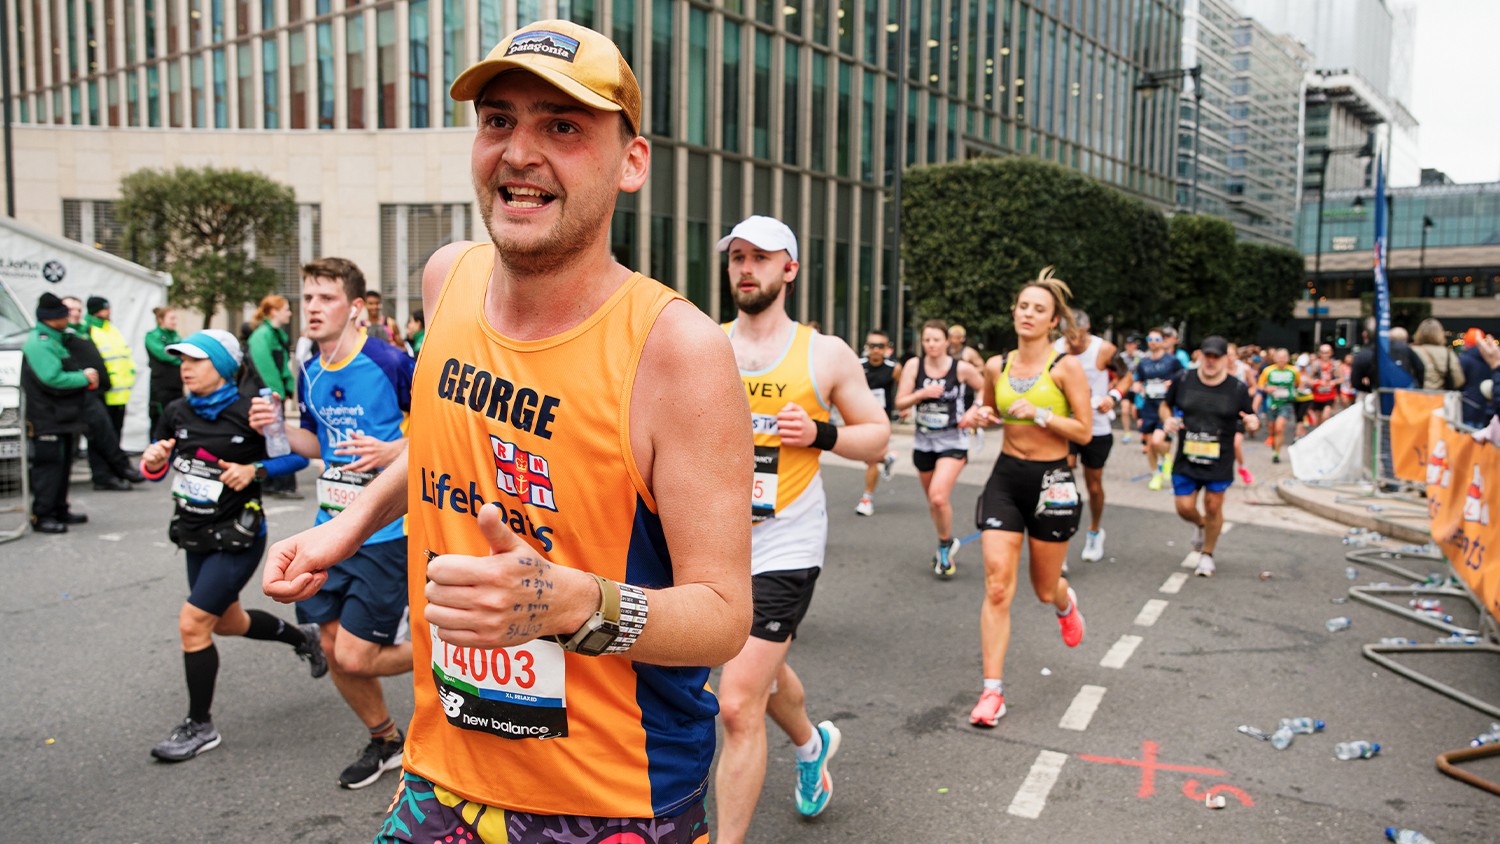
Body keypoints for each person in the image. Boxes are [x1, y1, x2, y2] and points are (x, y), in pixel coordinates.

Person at [263, 20, 753, 842]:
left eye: (562, 126)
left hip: (611, 798)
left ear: (631, 162)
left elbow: (722, 615)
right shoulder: (448, 278)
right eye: (499, 119)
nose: (520, 151)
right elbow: (447, 443)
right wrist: (343, 531)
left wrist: (573, 603)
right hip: (441, 770)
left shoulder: (678, 353)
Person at [714, 215, 889, 840]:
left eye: (760, 258)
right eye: (737, 257)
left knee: (735, 704)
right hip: (714, 540)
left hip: (787, 538)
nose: (745, 269)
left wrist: (821, 433)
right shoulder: (706, 344)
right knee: (755, 668)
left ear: (789, 269)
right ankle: (812, 745)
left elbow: (877, 437)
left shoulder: (824, 353)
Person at [250, 258, 416, 789]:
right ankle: (386, 739)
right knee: (330, 647)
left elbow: (447, 430)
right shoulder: (309, 370)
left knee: (354, 653)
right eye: (308, 298)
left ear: (356, 307)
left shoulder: (390, 362)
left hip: (385, 532)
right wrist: (275, 431)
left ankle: (455, 647)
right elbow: (313, 447)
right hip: (329, 526)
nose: (313, 308)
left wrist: (393, 449)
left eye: (326, 298)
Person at [138, 329, 324, 761]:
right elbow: (157, 461)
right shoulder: (177, 410)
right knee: (223, 621)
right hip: (195, 534)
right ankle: (302, 637)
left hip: (238, 537)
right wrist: (152, 462)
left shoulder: (250, 410)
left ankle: (200, 726)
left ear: (221, 367)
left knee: (192, 624)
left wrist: (254, 470)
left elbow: (297, 457)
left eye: (196, 360)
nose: (185, 368)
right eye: (181, 360)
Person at [959, 267, 1091, 728]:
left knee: (1041, 587)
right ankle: (992, 693)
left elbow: (1085, 431)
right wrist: (980, 417)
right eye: (1023, 306)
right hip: (1006, 479)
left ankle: (1063, 602)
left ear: (1053, 320)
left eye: (1039, 309)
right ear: (1013, 312)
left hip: (1054, 480)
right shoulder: (997, 366)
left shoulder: (1065, 368)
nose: (1028, 314)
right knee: (997, 584)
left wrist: (1041, 415)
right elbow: (993, 412)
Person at [1159, 336, 1260, 577]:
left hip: (1220, 457)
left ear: (1226, 358)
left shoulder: (1237, 388)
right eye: (1208, 355)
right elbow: (1165, 405)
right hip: (1187, 456)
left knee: (1213, 506)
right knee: (1184, 507)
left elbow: (1251, 418)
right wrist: (1167, 419)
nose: (1211, 361)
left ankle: (1207, 554)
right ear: (1200, 356)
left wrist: (1252, 423)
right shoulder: (1184, 379)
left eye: (1217, 356)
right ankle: (1202, 526)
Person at [895, 318, 984, 575]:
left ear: (947, 341)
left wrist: (974, 410)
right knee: (934, 503)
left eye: (936, 340)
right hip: (924, 443)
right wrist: (921, 394)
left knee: (938, 496)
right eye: (926, 340)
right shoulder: (914, 365)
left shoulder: (961, 368)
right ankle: (945, 538)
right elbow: (900, 402)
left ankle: (944, 547)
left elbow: (984, 388)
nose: (931, 345)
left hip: (953, 441)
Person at [1055, 309, 1130, 563]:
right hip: (1066, 426)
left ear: (1088, 329)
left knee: (1094, 485)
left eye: (1079, 336)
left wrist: (1113, 397)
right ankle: (1060, 540)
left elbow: (1126, 376)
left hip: (1096, 427)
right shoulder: (1055, 350)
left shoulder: (1104, 349)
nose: (1073, 342)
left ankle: (1095, 531)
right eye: (1069, 336)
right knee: (1063, 481)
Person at [20, 293, 97, 533]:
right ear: (52, 318)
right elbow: (51, 378)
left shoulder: (56, 339)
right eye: (64, 314)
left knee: (62, 466)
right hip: (47, 417)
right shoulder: (40, 342)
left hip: (62, 416)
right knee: (48, 467)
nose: (69, 318)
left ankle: (59, 509)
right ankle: (43, 515)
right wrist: (83, 377)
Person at [62, 295, 141, 490]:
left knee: (107, 433)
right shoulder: (72, 334)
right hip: (86, 393)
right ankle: (116, 470)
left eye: (78, 310)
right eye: (70, 310)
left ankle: (110, 474)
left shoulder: (88, 331)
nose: (75, 314)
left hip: (111, 391)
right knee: (100, 434)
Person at [246, 295, 303, 499]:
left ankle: (278, 483)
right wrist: (277, 393)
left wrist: (287, 387)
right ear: (273, 312)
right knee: (273, 438)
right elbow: (265, 369)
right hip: (265, 396)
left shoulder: (277, 335)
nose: (290, 313)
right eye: (286, 309)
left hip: (273, 395)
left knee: (276, 438)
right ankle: (276, 484)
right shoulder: (262, 335)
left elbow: (283, 367)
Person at [856, 327, 902, 517]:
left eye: (880, 346)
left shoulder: (894, 369)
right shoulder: (858, 365)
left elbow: (902, 389)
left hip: (882, 422)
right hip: (860, 418)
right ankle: (887, 458)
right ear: (867, 347)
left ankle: (867, 499)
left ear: (887, 348)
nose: (876, 350)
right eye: (873, 345)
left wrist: (903, 408)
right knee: (867, 456)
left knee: (871, 459)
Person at [1132, 328, 1184, 489]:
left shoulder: (1172, 361)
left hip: (1165, 406)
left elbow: (1183, 378)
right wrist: (1138, 387)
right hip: (1148, 405)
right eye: (1150, 339)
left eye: (1156, 339)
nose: (1153, 343)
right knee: (1149, 444)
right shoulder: (1144, 362)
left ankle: (1166, 458)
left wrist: (1173, 384)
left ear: (1162, 341)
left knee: (1157, 441)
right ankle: (1156, 475)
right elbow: (1138, 380)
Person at [85, 295, 136, 439]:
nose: (109, 311)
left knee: (115, 435)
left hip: (120, 395)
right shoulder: (89, 330)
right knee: (102, 437)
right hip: (103, 394)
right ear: (95, 311)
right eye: (105, 309)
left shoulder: (112, 330)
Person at [1255, 348, 1300, 464]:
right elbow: (1259, 386)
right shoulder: (1268, 370)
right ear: (1275, 358)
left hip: (1286, 403)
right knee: (1272, 429)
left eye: (1284, 357)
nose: (1281, 359)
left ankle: (1276, 453)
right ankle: (1274, 443)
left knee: (1279, 428)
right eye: (1279, 357)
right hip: (1272, 403)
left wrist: (1294, 391)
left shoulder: (1294, 371)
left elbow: (1298, 384)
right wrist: (1267, 389)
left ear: (1288, 358)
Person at [145, 306, 183, 435]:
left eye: (175, 318)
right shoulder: (152, 336)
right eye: (171, 318)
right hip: (161, 386)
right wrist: (179, 357)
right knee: (160, 419)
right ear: (161, 319)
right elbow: (164, 355)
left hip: (177, 385)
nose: (175, 321)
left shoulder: (176, 336)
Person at [1459, 328, 1500, 428]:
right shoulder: (1492, 358)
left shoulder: (1464, 359)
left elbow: (1458, 382)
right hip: (1488, 408)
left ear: (1467, 343)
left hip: (1468, 406)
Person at [1411, 318, 1465, 392]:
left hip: (1416, 396)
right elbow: (1458, 380)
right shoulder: (1448, 353)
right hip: (1440, 398)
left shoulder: (1413, 351)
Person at [1302, 343, 1344, 429]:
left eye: (1327, 352)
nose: (1325, 355)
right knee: (1318, 420)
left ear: (1331, 353)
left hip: (1330, 395)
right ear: (1320, 353)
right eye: (1323, 352)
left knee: (1326, 416)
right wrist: (1316, 382)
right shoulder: (1315, 364)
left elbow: (1342, 378)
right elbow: (1307, 379)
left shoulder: (1334, 365)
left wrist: (1333, 382)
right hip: (1317, 395)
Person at [1118, 335, 1144, 443]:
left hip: (1137, 387)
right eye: (1128, 345)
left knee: (1136, 412)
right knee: (1124, 409)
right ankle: (1127, 432)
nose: (1130, 347)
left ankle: (1144, 433)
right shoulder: (1121, 357)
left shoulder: (1141, 356)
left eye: (1132, 344)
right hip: (1126, 387)